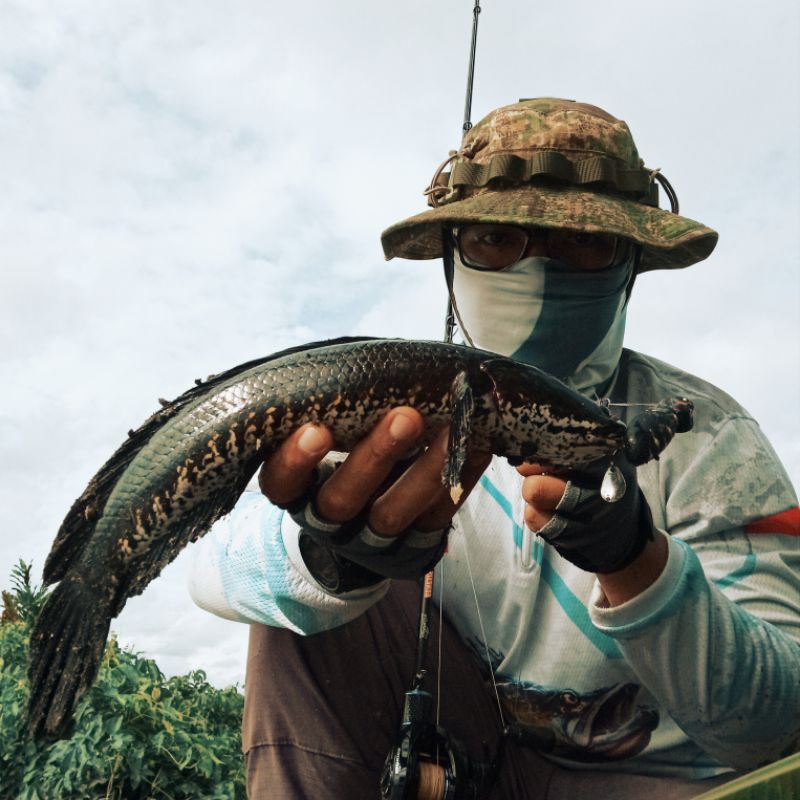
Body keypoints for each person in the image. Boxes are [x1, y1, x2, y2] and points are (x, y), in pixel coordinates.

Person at [189, 98, 800, 799]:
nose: (535, 268)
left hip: (657, 778)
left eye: (583, 244)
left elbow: (778, 724)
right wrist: (328, 560)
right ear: (452, 258)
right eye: (493, 238)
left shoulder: (712, 441)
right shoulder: (392, 410)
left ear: (631, 263)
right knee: (304, 599)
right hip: (467, 755)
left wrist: (637, 560)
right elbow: (209, 574)